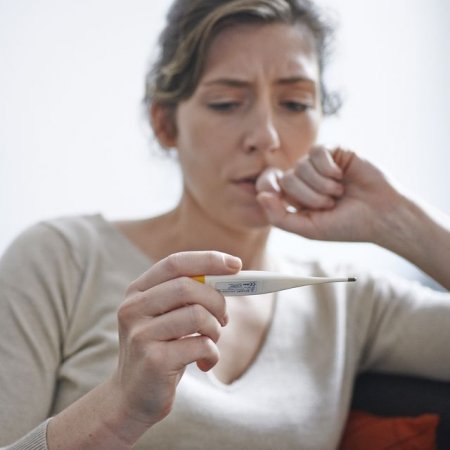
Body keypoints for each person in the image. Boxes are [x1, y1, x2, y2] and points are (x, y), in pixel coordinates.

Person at [1, 0, 449, 449]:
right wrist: (118, 409)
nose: (266, 137)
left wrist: (401, 222)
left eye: (294, 103)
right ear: (165, 124)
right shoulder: (60, 260)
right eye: (226, 103)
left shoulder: (348, 300)